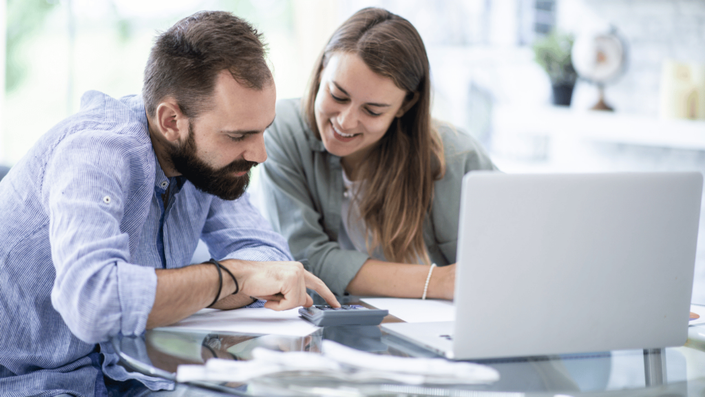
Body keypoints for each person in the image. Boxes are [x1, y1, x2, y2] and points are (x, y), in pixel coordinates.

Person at [0, 11, 339, 397]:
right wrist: (231, 277)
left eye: (263, 130)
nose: (259, 153)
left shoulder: (206, 164)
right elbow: (93, 301)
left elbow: (269, 261)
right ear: (171, 121)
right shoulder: (94, 154)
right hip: (27, 382)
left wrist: (226, 280)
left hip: (130, 373)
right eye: (239, 135)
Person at [260, 7, 497, 300]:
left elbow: (506, 262)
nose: (345, 122)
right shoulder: (282, 129)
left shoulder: (457, 156)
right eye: (337, 95)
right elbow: (303, 261)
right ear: (322, 70)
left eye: (372, 110)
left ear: (404, 106)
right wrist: (439, 282)